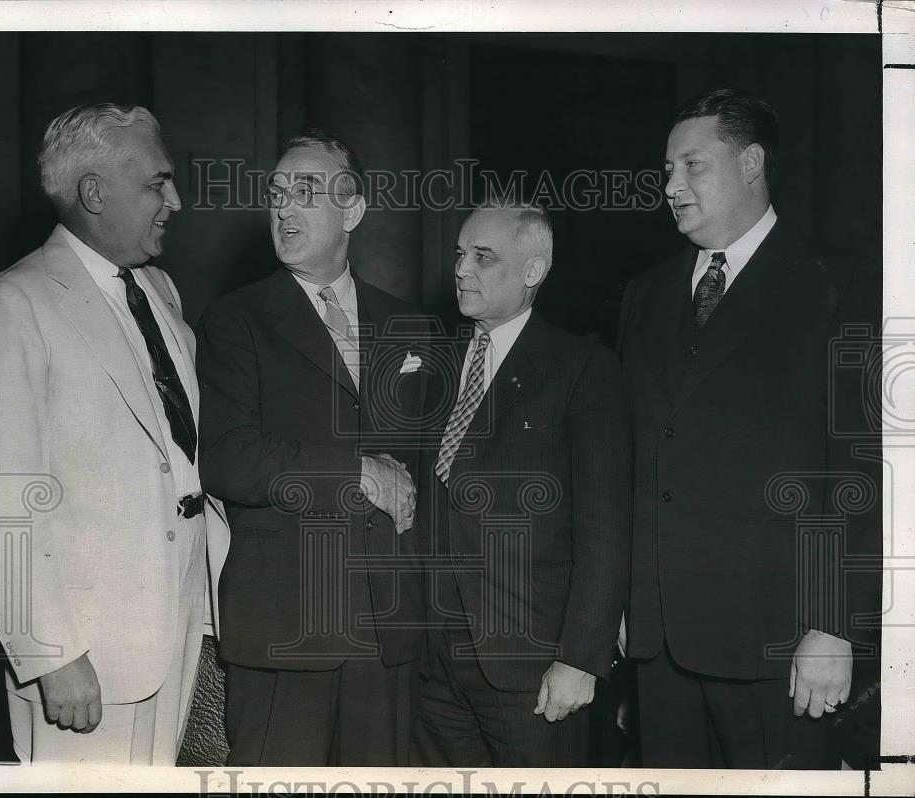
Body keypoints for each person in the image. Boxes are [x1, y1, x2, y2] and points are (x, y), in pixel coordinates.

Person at [0, 103, 229, 764]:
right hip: (86, 652)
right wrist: (49, 652)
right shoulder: (17, 301)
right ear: (94, 192)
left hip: (178, 621)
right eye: (157, 184)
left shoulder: (159, 291)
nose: (177, 201)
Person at [617, 88, 879, 768]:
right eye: (666, 170)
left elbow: (854, 471)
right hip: (659, 645)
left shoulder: (841, 284)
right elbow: (635, 462)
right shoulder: (643, 295)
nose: (671, 185)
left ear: (752, 162)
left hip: (780, 644)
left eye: (692, 166)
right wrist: (623, 607)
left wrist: (832, 625)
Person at [196, 131, 429, 766]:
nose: (285, 208)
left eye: (307, 192)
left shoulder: (408, 324)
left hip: (387, 630)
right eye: (276, 194)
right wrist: (357, 474)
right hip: (284, 626)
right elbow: (230, 459)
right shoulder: (235, 320)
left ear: (353, 211)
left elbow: (432, 470)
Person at [411, 200, 632, 767]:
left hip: (533, 668)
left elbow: (605, 527)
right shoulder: (435, 362)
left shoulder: (581, 368)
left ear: (533, 273)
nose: (462, 270)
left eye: (483, 258)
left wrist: (581, 658)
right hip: (434, 663)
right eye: (461, 255)